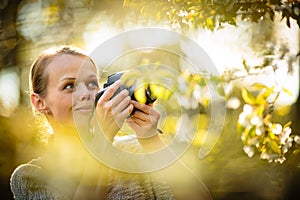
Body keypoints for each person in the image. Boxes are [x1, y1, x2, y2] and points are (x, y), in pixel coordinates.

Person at [10, 45, 212, 199]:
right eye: (69, 86)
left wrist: (152, 142)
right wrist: (103, 138)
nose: (86, 94)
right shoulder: (31, 177)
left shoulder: (135, 149)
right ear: (39, 102)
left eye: (91, 83)